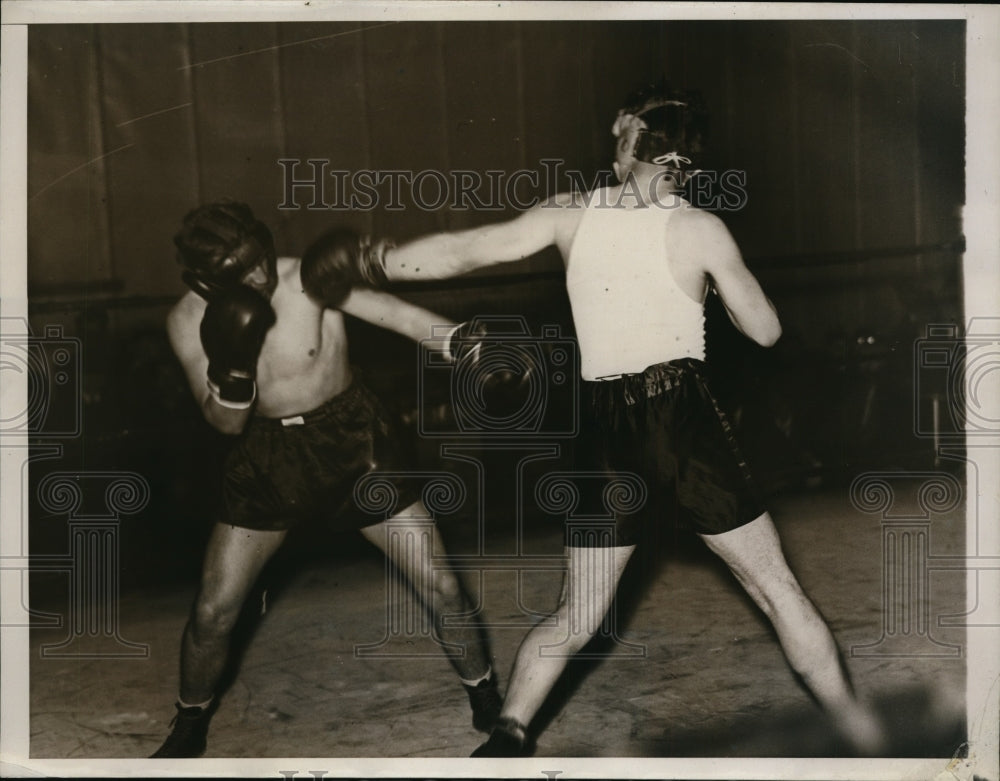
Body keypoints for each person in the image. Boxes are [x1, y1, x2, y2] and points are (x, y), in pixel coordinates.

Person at [374, 84, 888, 757]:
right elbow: (764, 331)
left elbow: (461, 254)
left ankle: (509, 734)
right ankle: (860, 731)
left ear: (627, 139)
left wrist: (374, 259)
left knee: (577, 612)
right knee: (774, 587)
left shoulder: (570, 215)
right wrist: (714, 290)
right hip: (681, 421)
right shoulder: (700, 227)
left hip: (604, 428)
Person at [151, 202, 501, 758]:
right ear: (206, 280)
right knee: (213, 611)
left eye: (261, 260)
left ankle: (484, 694)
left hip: (353, 441)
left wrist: (460, 342)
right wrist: (233, 367)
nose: (261, 277)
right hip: (263, 455)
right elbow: (223, 421)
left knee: (440, 584)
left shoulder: (305, 279)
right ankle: (190, 721)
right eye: (242, 274)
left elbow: (396, 315)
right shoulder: (184, 321)